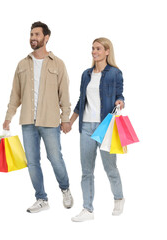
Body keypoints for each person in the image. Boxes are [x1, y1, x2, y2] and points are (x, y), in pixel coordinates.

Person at [3, 21, 73, 213]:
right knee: (32, 162)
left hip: (50, 121)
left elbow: (64, 95)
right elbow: (15, 94)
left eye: (37, 34)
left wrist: (65, 118)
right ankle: (41, 199)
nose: (33, 38)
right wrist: (9, 116)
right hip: (27, 122)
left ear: (46, 38)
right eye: (31, 34)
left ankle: (65, 189)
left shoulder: (58, 64)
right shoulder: (22, 64)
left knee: (55, 158)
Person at [70, 37, 125, 222]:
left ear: (107, 51)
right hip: (85, 126)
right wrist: (70, 121)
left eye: (98, 48)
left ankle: (118, 198)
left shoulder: (115, 73)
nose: (94, 51)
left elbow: (120, 93)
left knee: (110, 167)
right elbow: (80, 101)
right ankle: (87, 209)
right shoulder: (86, 74)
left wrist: (120, 101)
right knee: (86, 170)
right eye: (93, 48)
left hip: (105, 126)